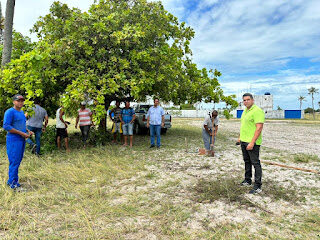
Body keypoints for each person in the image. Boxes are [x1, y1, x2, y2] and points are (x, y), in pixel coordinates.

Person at [3, 94, 33, 189]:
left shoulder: (21, 112)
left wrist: (27, 131)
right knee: (14, 161)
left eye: (22, 101)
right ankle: (13, 184)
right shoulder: (10, 112)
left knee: (18, 160)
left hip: (21, 139)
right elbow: (6, 126)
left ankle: (12, 181)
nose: (20, 102)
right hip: (13, 140)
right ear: (13, 101)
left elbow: (21, 125)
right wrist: (21, 133)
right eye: (18, 100)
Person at [237, 93, 265, 194]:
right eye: (244, 100)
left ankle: (258, 185)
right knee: (247, 161)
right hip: (244, 141)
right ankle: (247, 180)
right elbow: (244, 125)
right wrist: (240, 138)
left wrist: (252, 142)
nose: (246, 102)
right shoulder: (245, 111)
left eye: (248, 100)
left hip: (252, 142)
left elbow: (259, 128)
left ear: (252, 100)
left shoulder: (257, 111)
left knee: (255, 163)